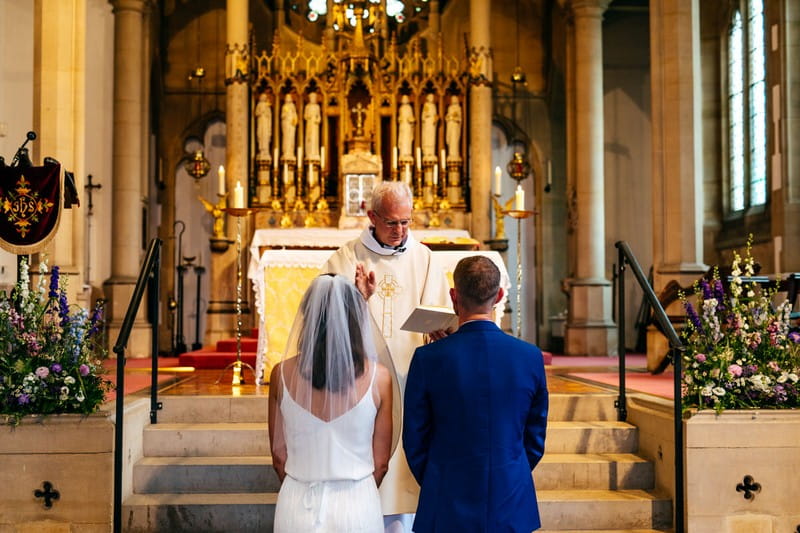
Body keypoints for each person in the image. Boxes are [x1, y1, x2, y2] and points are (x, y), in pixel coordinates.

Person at [324, 180, 451, 533]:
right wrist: (358, 298)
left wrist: (440, 329)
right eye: (392, 222)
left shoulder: (423, 257)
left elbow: (440, 312)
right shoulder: (347, 257)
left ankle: (404, 523)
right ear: (372, 216)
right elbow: (326, 316)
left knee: (407, 460)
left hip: (414, 373)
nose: (400, 231)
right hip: (363, 377)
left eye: (406, 222)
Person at [403, 255, 549, 533]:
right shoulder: (530, 357)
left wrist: (439, 480)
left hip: (446, 498)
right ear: (500, 295)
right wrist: (509, 474)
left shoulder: (428, 358)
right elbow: (535, 436)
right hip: (510, 498)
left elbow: (415, 438)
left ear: (454, 296)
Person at [269, 274, 395, 533]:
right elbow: (381, 463)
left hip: (297, 503)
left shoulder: (280, 374)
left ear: (307, 316)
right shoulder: (379, 378)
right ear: (355, 317)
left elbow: (279, 456)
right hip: (357, 504)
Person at [397, 95, 415, 160]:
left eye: (406, 98)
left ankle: (407, 153)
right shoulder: (401, 108)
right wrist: (400, 119)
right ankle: (402, 153)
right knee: (403, 139)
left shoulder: (409, 108)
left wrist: (411, 120)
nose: (404, 99)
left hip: (408, 126)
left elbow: (411, 117)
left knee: (407, 139)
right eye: (403, 98)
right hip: (403, 126)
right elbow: (399, 117)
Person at [304, 92, 321, 160]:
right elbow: (305, 116)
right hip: (309, 124)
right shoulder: (307, 106)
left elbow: (319, 117)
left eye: (314, 98)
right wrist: (309, 116)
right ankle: (309, 153)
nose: (312, 99)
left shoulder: (317, 107)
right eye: (311, 98)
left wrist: (317, 120)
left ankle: (314, 153)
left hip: (315, 125)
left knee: (314, 139)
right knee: (309, 139)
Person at [255, 92, 272, 159]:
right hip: (261, 122)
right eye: (262, 97)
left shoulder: (267, 106)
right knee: (261, 135)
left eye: (265, 97)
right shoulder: (259, 105)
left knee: (265, 135)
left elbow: (270, 116)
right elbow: (257, 113)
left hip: (266, 123)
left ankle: (266, 151)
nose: (263, 98)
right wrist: (261, 112)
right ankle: (261, 151)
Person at [420, 93, 438, 159]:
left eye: (433, 97)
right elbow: (423, 116)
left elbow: (435, 115)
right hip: (427, 124)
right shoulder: (426, 105)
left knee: (432, 138)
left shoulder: (434, 106)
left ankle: (431, 152)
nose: (432, 98)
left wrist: (436, 119)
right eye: (431, 97)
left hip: (432, 125)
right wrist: (427, 116)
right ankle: (427, 152)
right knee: (427, 138)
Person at [281, 93, 298, 160]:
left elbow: (295, 115)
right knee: (286, 137)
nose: (288, 99)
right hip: (286, 124)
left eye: (289, 97)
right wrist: (286, 115)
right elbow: (282, 116)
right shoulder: (284, 106)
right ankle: (286, 152)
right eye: (287, 97)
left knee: (291, 138)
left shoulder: (292, 106)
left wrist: (294, 120)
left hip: (291, 125)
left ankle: (290, 152)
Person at [445, 95, 462, 160]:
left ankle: (455, 154)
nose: (453, 100)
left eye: (455, 99)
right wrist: (449, 118)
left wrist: (454, 118)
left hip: (455, 126)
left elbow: (459, 119)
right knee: (451, 138)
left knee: (454, 139)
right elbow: (447, 117)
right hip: (450, 126)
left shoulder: (458, 108)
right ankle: (451, 154)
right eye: (452, 99)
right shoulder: (450, 108)